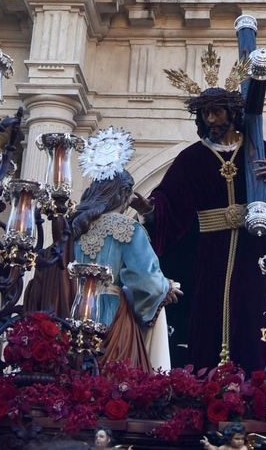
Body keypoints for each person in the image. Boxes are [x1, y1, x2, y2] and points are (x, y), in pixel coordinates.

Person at [135, 47, 266, 369]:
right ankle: (208, 384)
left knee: (254, 312)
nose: (211, 119)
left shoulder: (256, 148)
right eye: (206, 114)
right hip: (211, 251)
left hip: (255, 247)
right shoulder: (192, 158)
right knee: (210, 313)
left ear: (232, 113)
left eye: (217, 112)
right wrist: (150, 208)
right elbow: (170, 201)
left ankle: (258, 382)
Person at [68, 130, 179, 371]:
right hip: (113, 319)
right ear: (124, 195)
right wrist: (166, 288)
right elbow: (147, 281)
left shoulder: (73, 227)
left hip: (70, 312)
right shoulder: (127, 228)